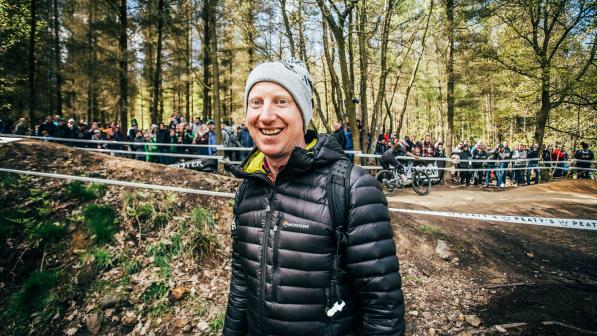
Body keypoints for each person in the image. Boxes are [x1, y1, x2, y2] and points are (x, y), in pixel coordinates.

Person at [223, 59, 405, 335]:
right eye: (256, 102)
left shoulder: (352, 188)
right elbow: (240, 286)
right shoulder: (248, 188)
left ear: (303, 113)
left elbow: (383, 312)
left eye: (281, 101)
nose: (266, 115)